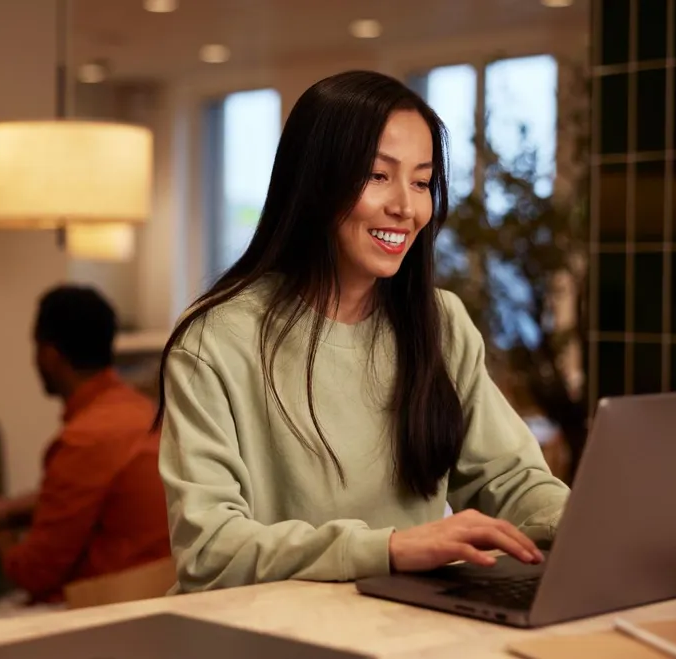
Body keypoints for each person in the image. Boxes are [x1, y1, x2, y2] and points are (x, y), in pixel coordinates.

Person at [155, 70, 571, 594]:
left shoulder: (439, 326)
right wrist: (391, 549)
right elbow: (209, 551)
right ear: (314, 182)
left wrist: (596, 525)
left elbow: (511, 482)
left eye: (421, 182)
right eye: (378, 176)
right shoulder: (214, 340)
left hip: (397, 626)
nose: (405, 206)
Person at [0, 285, 170, 621]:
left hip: (98, 610)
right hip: (157, 596)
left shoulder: (84, 439)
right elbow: (86, 498)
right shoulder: (142, 411)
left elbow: (32, 573)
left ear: (49, 354)